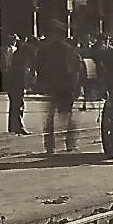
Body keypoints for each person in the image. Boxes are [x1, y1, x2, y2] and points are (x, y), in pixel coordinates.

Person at [37, 24, 83, 153]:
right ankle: (70, 143)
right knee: (67, 116)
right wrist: (76, 87)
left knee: (51, 117)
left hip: (54, 86)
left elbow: (39, 68)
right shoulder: (68, 50)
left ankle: (50, 146)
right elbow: (74, 70)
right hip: (65, 86)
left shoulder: (44, 49)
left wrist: (41, 83)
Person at [1, 33, 31, 135]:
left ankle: (12, 126)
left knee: (14, 104)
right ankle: (18, 126)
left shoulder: (17, 54)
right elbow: (21, 73)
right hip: (16, 83)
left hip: (13, 82)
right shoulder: (20, 57)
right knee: (18, 104)